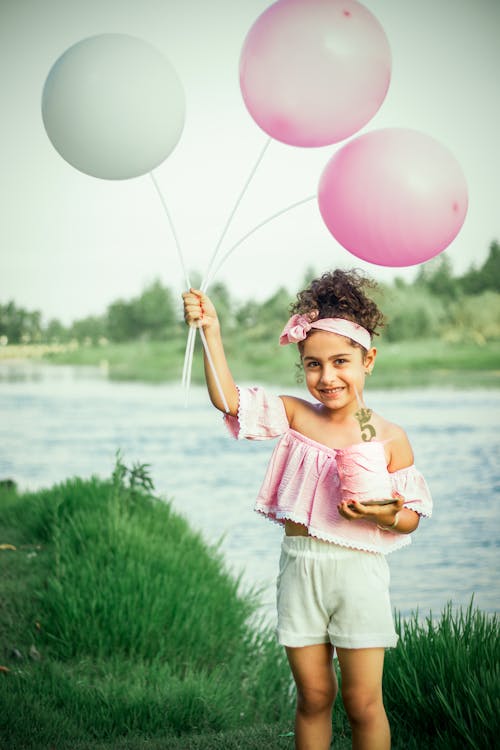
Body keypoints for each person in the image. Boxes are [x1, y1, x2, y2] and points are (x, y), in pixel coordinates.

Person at [182, 269, 432, 750]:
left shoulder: (387, 435)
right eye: (313, 364)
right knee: (314, 696)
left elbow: (410, 517)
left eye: (341, 361)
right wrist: (211, 330)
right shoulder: (297, 416)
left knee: (363, 703)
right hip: (300, 571)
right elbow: (229, 402)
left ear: (368, 360)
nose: (327, 376)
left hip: (358, 575)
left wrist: (383, 515)